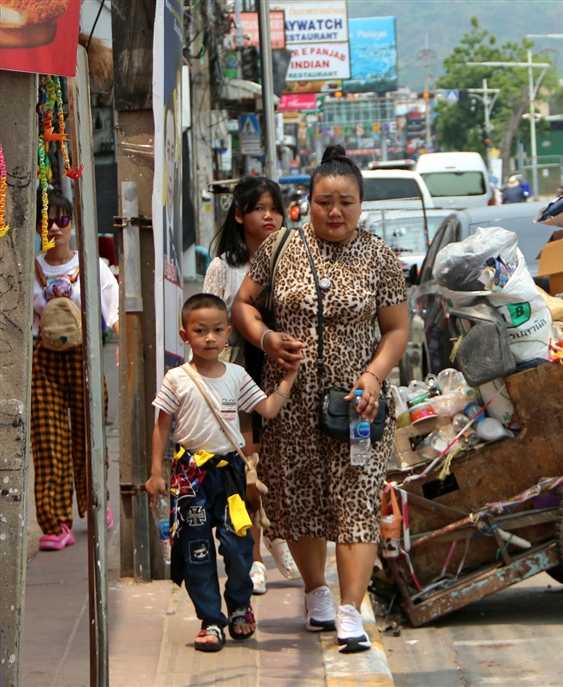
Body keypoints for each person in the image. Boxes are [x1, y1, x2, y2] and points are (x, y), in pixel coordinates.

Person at [231, 145, 409, 654]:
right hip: (290, 399)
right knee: (302, 501)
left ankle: (351, 610)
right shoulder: (279, 248)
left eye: (347, 202)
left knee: (356, 501)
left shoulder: (379, 256)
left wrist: (374, 376)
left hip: (358, 402)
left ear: (361, 205)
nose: (336, 211)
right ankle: (317, 595)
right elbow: (242, 303)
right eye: (324, 201)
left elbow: (397, 329)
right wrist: (266, 339)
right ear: (305, 203)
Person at [145, 293, 299, 652]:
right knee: (196, 549)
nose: (210, 338)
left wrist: (288, 379)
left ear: (229, 332)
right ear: (185, 336)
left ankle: (241, 607)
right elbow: (162, 427)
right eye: (201, 331)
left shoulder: (237, 375)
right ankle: (211, 620)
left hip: (229, 474)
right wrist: (157, 472)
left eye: (217, 330)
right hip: (189, 476)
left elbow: (268, 408)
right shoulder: (176, 379)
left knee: (238, 546)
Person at [204, 176, 301, 595]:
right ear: (239, 214)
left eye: (275, 208)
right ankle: (255, 557)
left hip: (284, 373)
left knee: (283, 466)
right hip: (240, 377)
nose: (269, 216)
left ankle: (279, 533)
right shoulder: (224, 267)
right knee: (247, 471)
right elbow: (205, 323)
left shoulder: (296, 258)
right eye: (259, 208)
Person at [31, 188, 119, 551]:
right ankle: (55, 523)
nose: (55, 226)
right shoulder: (31, 268)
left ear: (72, 223)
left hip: (86, 357)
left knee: (90, 436)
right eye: (48, 220)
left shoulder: (93, 264)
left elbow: (112, 306)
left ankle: (96, 504)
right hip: (44, 362)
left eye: (62, 219)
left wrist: (120, 344)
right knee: (49, 442)